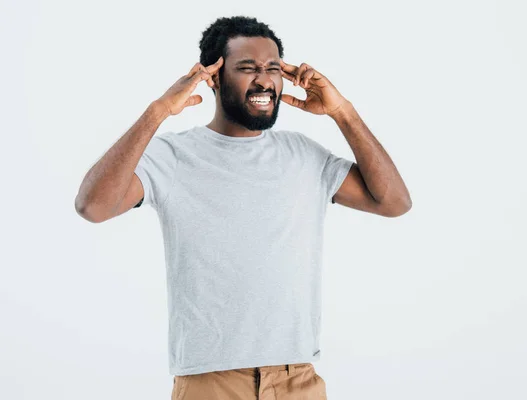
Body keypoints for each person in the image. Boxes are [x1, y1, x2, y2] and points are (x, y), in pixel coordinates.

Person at [75, 15, 411, 400]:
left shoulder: (302, 155)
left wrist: (342, 111)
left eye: (272, 68)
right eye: (247, 68)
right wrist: (158, 112)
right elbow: (93, 206)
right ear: (214, 77)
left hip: (297, 380)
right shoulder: (172, 156)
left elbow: (394, 202)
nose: (264, 80)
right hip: (211, 382)